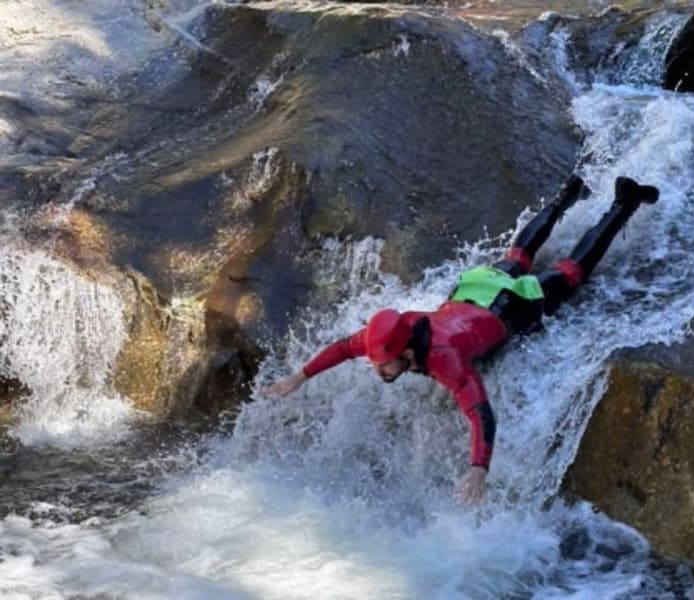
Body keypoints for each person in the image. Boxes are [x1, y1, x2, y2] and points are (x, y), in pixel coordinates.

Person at [264, 175, 659, 505]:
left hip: (507, 305)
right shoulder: (388, 332)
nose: (376, 368)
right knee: (518, 255)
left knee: (569, 271)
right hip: (472, 291)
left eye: (382, 364)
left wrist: (478, 471)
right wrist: (299, 378)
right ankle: (564, 197)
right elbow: (342, 349)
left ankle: (624, 204)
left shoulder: (444, 359)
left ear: (404, 352)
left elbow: (480, 412)